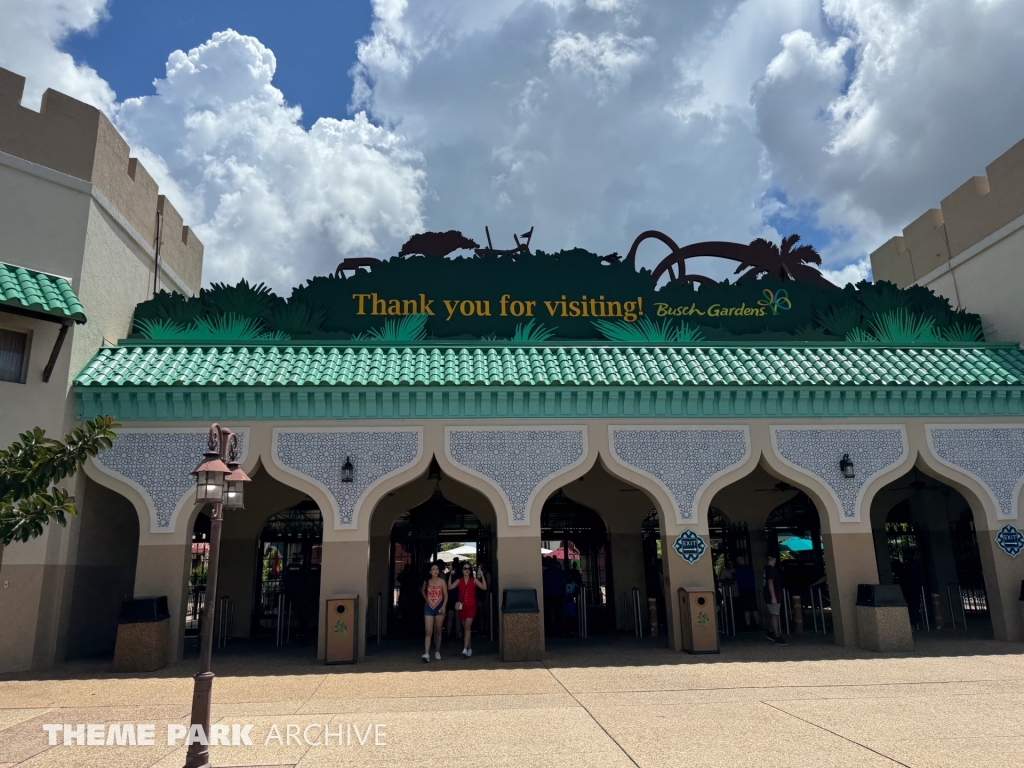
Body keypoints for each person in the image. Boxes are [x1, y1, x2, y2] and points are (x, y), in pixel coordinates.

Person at [453, 562, 488, 656]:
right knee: (466, 629)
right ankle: (469, 648)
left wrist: (482, 576)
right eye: (465, 568)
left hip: (472, 606)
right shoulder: (459, 580)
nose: (467, 570)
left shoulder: (474, 580)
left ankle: (464, 649)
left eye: (469, 568)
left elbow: (484, 587)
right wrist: (450, 576)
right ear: (462, 570)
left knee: (467, 627)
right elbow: (449, 587)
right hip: (462, 607)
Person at [420, 562, 448, 662]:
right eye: (433, 569)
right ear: (430, 572)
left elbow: (446, 595)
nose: (436, 571)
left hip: (439, 606)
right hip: (429, 607)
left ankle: (437, 651)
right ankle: (427, 653)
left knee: (438, 630)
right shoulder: (427, 581)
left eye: (437, 569)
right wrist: (426, 600)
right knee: (428, 631)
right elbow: (422, 590)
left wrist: (444, 606)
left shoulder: (442, 582)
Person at [763, 554, 787, 644]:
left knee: (774, 613)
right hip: (773, 595)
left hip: (769, 594)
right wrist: (773, 596)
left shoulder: (766, 569)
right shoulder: (771, 570)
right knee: (775, 615)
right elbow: (770, 582)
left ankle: (771, 632)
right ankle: (777, 636)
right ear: (774, 559)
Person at [542, 556, 565, 636]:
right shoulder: (559, 572)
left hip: (549, 594)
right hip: (558, 594)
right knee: (560, 611)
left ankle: (554, 628)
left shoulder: (546, 572)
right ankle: (563, 627)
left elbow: (543, 582)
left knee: (552, 612)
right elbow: (563, 582)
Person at [733, 556, 757, 629]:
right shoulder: (750, 568)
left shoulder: (739, 569)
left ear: (738, 561)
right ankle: (758, 624)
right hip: (752, 589)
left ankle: (748, 625)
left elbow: (735, 580)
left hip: (743, 590)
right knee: (754, 608)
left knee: (746, 609)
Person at [445, 557, 462, 639]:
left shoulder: (448, 574)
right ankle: (457, 634)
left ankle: (448, 634)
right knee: (458, 617)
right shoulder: (460, 574)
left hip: (450, 596)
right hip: (458, 597)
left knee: (450, 617)